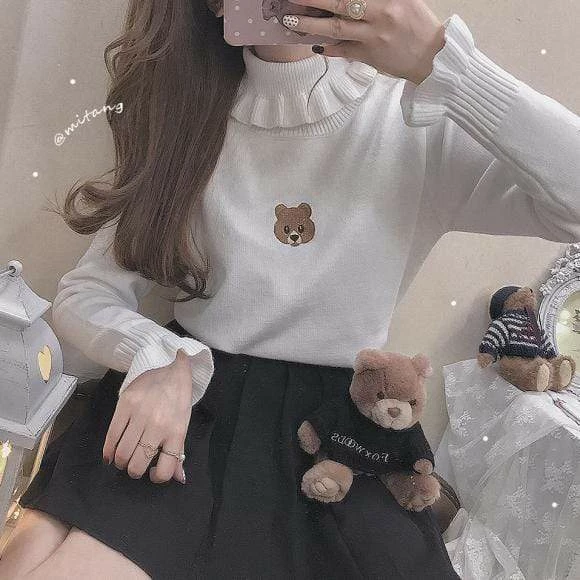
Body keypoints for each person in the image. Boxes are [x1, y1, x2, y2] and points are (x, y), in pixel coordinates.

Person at [1, 0, 579, 578]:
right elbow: (85, 293)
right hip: (190, 402)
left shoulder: (412, 118)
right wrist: (157, 357)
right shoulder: (188, 117)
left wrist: (444, 63)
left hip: (339, 432)